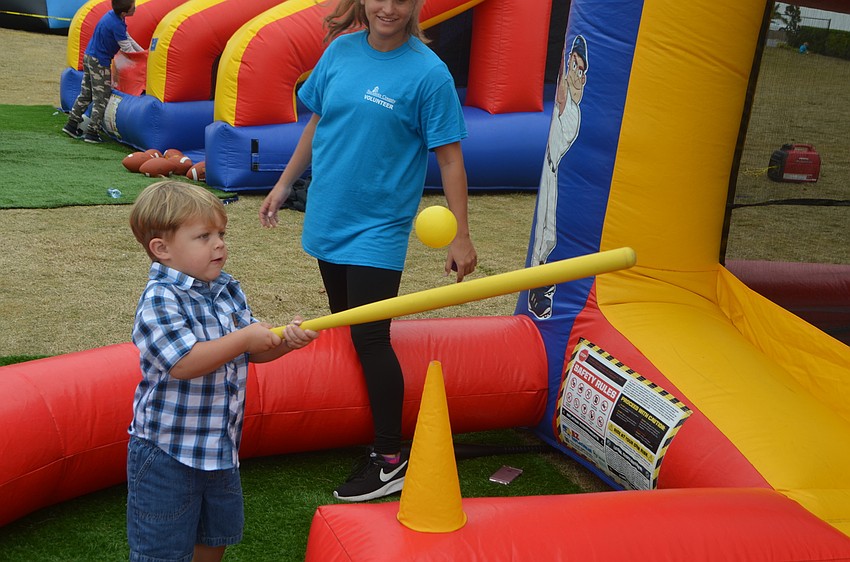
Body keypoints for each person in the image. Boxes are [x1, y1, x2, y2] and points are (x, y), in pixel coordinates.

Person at [258, 0, 477, 502]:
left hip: (379, 227)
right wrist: (284, 182)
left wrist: (461, 233)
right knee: (348, 328)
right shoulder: (340, 52)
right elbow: (317, 123)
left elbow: (450, 158)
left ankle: (388, 458)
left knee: (371, 337)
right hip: (329, 214)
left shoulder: (429, 73)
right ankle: (364, 423)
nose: (389, 7)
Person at [127, 180, 318, 562]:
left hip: (220, 449)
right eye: (203, 236)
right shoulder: (160, 298)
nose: (219, 244)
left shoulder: (226, 289)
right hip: (167, 454)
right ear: (161, 249)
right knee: (161, 551)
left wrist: (283, 343)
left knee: (215, 539)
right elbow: (184, 363)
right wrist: (245, 339)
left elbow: (250, 352)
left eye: (221, 234)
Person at [528, 35, 589, 320]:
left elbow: (567, 101)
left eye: (580, 70)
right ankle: (538, 286)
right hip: (550, 170)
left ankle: (539, 284)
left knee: (548, 235)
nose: (575, 74)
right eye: (572, 67)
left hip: (553, 171)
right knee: (545, 235)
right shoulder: (566, 103)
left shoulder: (574, 114)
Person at [62, 0, 144, 143]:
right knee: (102, 97)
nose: (135, 8)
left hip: (89, 57)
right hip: (100, 62)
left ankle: (71, 124)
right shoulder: (116, 24)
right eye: (133, 7)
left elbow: (127, 37)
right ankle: (93, 132)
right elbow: (126, 48)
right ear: (125, 12)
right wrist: (139, 59)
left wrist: (142, 52)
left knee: (87, 93)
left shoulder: (114, 16)